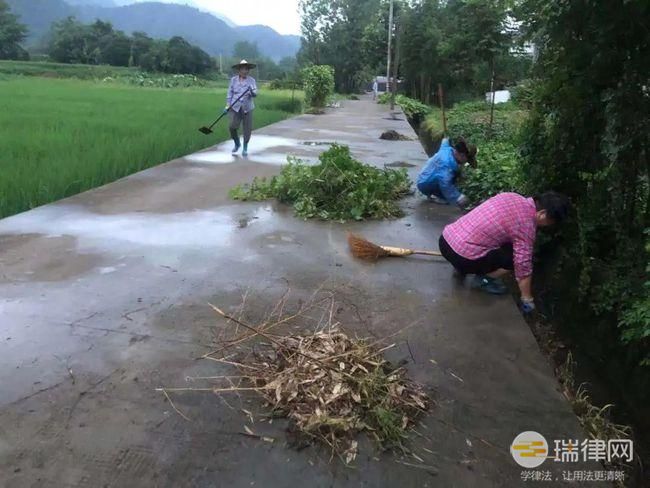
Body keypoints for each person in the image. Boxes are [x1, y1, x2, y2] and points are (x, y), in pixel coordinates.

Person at [438, 191, 570, 313]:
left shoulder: (510, 196)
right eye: (550, 222)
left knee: (502, 242)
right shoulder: (526, 225)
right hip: (463, 258)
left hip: (445, 240)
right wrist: (527, 298)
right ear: (543, 213)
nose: (548, 226)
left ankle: (460, 269)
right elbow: (523, 266)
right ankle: (485, 280)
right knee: (516, 259)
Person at [417, 137, 475, 207]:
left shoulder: (447, 149)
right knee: (448, 200)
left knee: (455, 173)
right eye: (467, 160)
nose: (466, 162)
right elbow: (445, 184)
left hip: (425, 176)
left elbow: (444, 142)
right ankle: (434, 196)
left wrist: (447, 138)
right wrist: (459, 197)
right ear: (462, 155)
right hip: (426, 184)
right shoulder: (446, 164)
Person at [225, 59, 258, 156]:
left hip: (247, 108)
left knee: (247, 128)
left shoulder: (252, 81)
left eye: (247, 69)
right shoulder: (233, 80)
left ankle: (245, 148)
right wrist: (227, 105)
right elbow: (229, 93)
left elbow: (255, 93)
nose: (245, 71)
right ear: (239, 70)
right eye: (243, 69)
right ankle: (237, 143)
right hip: (235, 107)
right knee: (232, 127)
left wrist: (252, 92)